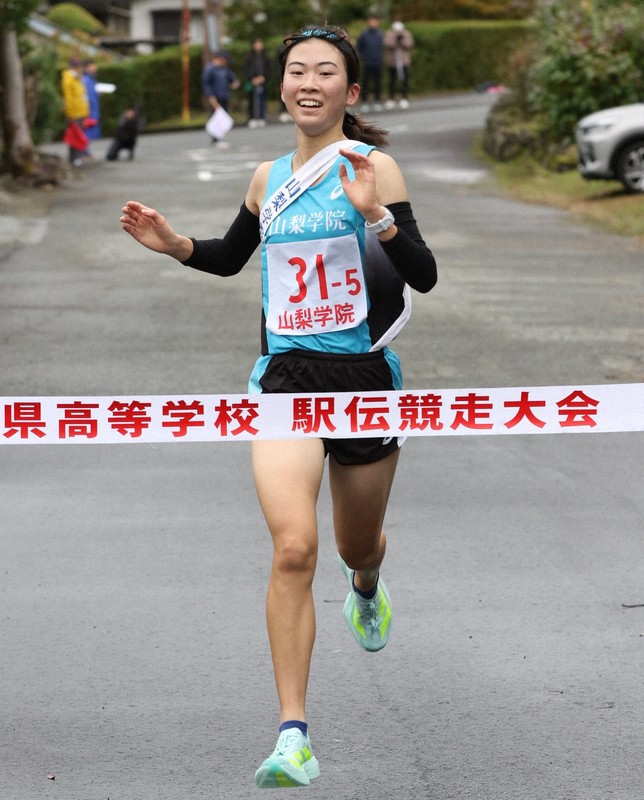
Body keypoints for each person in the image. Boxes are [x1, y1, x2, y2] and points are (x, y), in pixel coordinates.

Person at [120, 25, 437, 789]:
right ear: (283, 83)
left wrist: (377, 217)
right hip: (283, 383)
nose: (308, 81)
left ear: (349, 93)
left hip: (363, 381)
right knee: (294, 548)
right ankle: (293, 734)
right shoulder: (267, 179)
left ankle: (366, 583)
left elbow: (421, 276)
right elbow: (232, 258)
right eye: (297, 69)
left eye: (326, 72)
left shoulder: (373, 166)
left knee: (355, 546)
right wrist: (176, 245)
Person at [202, 51, 240, 145]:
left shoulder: (224, 69)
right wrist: (210, 96)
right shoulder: (210, 69)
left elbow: (232, 78)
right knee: (215, 116)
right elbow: (206, 84)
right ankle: (215, 137)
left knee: (224, 115)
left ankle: (220, 135)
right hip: (215, 97)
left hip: (224, 95)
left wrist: (234, 83)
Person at [60, 57, 90, 165]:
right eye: (76, 67)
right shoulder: (68, 79)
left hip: (81, 111)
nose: (79, 69)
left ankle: (79, 156)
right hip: (74, 113)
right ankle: (74, 158)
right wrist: (70, 113)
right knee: (74, 136)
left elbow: (82, 95)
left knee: (79, 135)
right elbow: (68, 98)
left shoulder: (78, 79)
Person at [384, 20, 414, 110]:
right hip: (393, 62)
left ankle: (404, 98)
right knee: (392, 80)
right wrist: (395, 40)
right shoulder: (389, 33)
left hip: (403, 62)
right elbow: (387, 43)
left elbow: (409, 44)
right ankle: (391, 99)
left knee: (404, 81)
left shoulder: (406, 33)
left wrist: (402, 41)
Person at [357, 15, 384, 112]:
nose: (373, 23)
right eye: (371, 21)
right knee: (365, 83)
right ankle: (364, 102)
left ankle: (377, 101)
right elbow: (359, 47)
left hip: (377, 62)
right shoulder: (364, 34)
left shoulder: (380, 34)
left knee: (378, 83)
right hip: (367, 62)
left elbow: (382, 47)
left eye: (375, 21)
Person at [245, 37, 271, 128]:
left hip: (263, 81)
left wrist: (263, 77)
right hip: (252, 82)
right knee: (251, 100)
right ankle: (252, 118)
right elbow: (247, 69)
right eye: (257, 44)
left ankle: (261, 117)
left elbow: (268, 69)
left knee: (262, 100)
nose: (258, 46)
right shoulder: (249, 57)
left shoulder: (265, 57)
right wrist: (252, 78)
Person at [82, 60, 102, 139]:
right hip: (89, 114)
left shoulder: (93, 79)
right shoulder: (85, 80)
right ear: (86, 68)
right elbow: (86, 98)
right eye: (92, 66)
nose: (95, 68)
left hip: (95, 114)